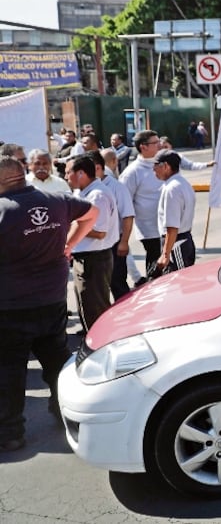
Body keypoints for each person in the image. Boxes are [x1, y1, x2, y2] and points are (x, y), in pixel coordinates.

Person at [0, 154, 97, 453]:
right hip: (53, 299)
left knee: (9, 370)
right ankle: (64, 410)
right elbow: (92, 213)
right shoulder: (57, 199)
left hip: (11, 307)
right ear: (23, 173)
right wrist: (71, 244)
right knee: (56, 360)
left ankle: (10, 433)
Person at [66, 155, 118, 333]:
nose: (66, 177)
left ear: (81, 173)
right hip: (86, 258)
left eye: (68, 173)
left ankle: (101, 346)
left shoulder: (97, 195)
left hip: (94, 259)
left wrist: (73, 223)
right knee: (86, 305)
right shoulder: (83, 192)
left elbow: (100, 232)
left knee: (95, 308)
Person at [91, 151, 135, 300]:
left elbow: (127, 216)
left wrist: (124, 242)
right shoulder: (84, 188)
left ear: (97, 168)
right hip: (95, 246)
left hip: (115, 243)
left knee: (117, 283)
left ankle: (127, 316)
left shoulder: (116, 187)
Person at [119, 130, 165, 274]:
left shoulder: (163, 164)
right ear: (143, 146)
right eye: (155, 143)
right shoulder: (132, 172)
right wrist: (124, 238)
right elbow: (125, 205)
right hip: (150, 230)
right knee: (156, 268)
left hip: (169, 226)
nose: (160, 145)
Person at [152, 150, 197, 273]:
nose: (153, 170)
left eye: (155, 166)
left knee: (179, 283)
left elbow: (172, 226)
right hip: (184, 240)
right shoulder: (183, 183)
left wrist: (166, 254)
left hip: (176, 244)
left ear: (165, 166)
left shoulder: (172, 189)